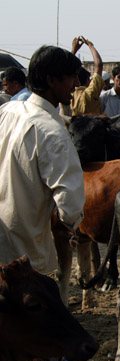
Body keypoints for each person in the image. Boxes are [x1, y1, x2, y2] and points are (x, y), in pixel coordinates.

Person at [0, 45, 84, 272]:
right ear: (51, 80)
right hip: (25, 260)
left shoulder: (7, 111)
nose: (77, 84)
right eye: (72, 77)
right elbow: (71, 207)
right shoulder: (53, 134)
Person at [70, 36, 104, 116]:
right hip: (94, 125)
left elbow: (65, 71)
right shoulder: (91, 92)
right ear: (87, 79)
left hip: (75, 126)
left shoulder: (70, 94)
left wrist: (73, 50)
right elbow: (98, 65)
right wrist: (91, 46)